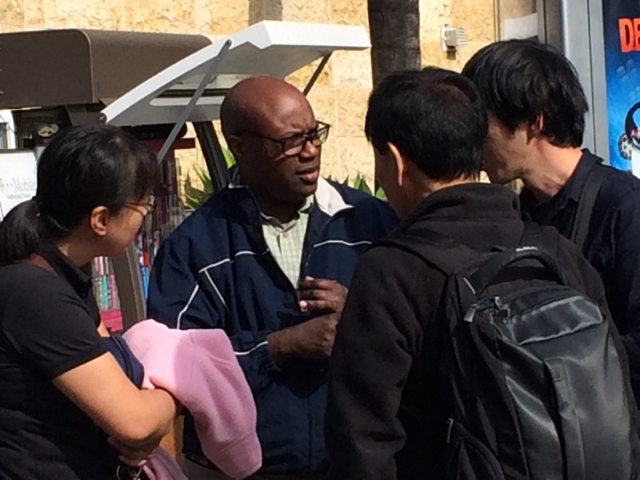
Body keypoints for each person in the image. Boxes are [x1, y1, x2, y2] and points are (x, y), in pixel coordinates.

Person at [324, 68, 620, 479]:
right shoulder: (556, 251)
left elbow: (361, 441)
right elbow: (615, 391)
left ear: (395, 160)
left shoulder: (392, 272)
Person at [146, 75, 398, 479]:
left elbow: (423, 328)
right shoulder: (195, 246)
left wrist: (360, 310)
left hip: (356, 466)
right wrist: (281, 346)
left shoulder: (372, 223)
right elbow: (177, 370)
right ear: (239, 147)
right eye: (289, 141)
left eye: (314, 134)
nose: (310, 151)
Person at [462, 39, 640, 400]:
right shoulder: (516, 216)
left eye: (482, 123)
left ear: (534, 121)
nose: (473, 142)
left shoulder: (625, 207)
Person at [0, 125, 177, 480]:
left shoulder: (59, 274)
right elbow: (134, 422)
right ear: (100, 219)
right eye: (142, 203)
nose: (145, 213)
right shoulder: (37, 294)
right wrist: (176, 397)